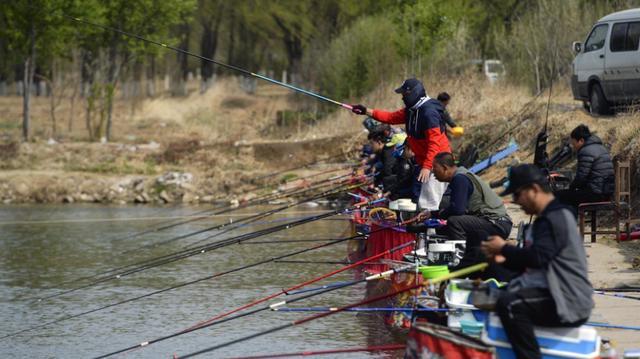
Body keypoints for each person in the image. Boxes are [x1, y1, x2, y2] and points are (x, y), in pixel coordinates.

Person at [481, 164, 593, 359]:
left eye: (517, 195)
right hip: (554, 291)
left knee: (510, 304)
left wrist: (504, 248)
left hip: (568, 299)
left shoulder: (555, 217)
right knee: (498, 290)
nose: (516, 202)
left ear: (534, 189)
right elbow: (533, 261)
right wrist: (503, 259)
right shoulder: (549, 216)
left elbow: (539, 258)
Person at [351, 78, 451, 211]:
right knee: (423, 202)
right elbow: (390, 117)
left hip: (437, 163)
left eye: (404, 94)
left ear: (413, 93)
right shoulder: (411, 110)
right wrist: (366, 111)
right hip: (425, 162)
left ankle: (429, 231)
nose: (402, 97)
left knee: (429, 203)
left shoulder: (428, 113)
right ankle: (424, 228)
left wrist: (427, 166)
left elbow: (434, 142)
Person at [428, 152, 513, 281]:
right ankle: (466, 260)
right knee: (447, 226)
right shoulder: (460, 176)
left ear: (445, 168)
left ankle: (459, 260)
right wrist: (431, 214)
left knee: (454, 221)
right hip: (490, 222)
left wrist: (438, 215)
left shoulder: (460, 179)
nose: (433, 172)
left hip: (497, 223)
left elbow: (457, 209)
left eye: (435, 168)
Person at [554, 124, 614, 215]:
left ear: (581, 140)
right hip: (606, 193)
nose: (573, 147)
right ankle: (571, 223)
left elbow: (581, 177)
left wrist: (571, 187)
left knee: (557, 196)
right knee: (571, 195)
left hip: (596, 195)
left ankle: (563, 226)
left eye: (574, 143)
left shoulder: (585, 151)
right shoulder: (602, 148)